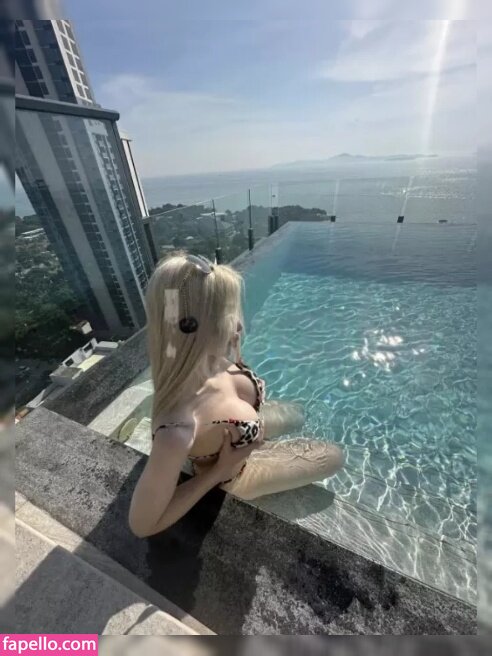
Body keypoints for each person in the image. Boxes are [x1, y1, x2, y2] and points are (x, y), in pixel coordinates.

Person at [129, 252, 344, 538]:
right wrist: (219, 470)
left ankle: (260, 441)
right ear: (194, 327)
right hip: (232, 474)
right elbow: (142, 525)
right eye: (228, 314)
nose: (239, 325)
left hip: (235, 433)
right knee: (335, 456)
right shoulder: (178, 429)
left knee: (297, 415)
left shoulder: (189, 357)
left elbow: (172, 311)